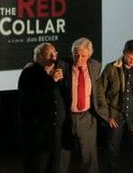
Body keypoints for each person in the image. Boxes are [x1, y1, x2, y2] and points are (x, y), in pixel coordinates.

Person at [97, 40, 133, 173]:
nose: (131, 60)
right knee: (112, 151)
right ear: (124, 53)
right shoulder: (111, 68)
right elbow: (99, 93)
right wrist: (108, 115)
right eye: (129, 56)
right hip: (115, 115)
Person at [17, 42, 66, 173]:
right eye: (49, 54)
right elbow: (33, 99)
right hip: (37, 134)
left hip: (54, 132)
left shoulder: (55, 72)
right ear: (39, 56)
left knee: (54, 166)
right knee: (37, 166)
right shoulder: (29, 73)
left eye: (54, 53)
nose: (53, 57)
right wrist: (52, 80)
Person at [59, 37, 103, 173]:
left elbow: (99, 91)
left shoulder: (95, 66)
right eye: (76, 55)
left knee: (88, 156)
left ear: (89, 55)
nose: (79, 59)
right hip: (66, 117)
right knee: (62, 156)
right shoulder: (62, 65)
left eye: (83, 56)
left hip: (87, 117)